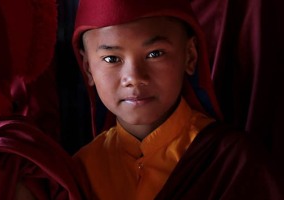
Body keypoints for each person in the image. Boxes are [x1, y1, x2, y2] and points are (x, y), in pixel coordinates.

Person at [72, 0, 282, 199]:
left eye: (155, 54)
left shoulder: (235, 164)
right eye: (112, 59)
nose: (134, 78)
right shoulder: (79, 173)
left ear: (190, 56)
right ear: (88, 68)